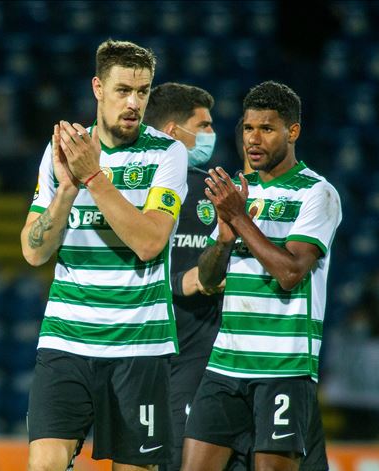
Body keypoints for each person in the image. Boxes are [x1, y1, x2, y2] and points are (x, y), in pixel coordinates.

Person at [20, 39, 188, 471]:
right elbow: (34, 252)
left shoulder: (167, 154)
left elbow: (150, 242)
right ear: (98, 88)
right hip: (66, 341)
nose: (134, 103)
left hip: (139, 347)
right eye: (123, 91)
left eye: (144, 91)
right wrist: (67, 191)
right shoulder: (61, 150)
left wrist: (93, 177)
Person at [183, 81, 341, 471]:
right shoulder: (239, 190)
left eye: (267, 129)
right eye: (248, 128)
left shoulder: (317, 193)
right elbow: (207, 277)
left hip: (283, 370)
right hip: (224, 365)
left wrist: (238, 217)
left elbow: (291, 272)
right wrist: (222, 240)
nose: (254, 139)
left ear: (293, 132)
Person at [141, 82, 225, 471]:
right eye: (203, 125)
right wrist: (180, 282)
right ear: (175, 131)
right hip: (142, 345)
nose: (211, 134)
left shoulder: (216, 192)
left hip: (196, 345)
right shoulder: (135, 186)